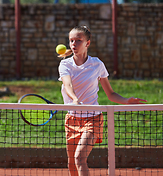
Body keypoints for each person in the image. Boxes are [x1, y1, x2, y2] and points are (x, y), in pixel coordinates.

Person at [58, 26, 146, 176]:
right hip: (72, 119)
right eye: (71, 40)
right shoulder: (65, 64)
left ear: (87, 43)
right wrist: (74, 99)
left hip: (93, 118)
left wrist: (126, 101)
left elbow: (110, 93)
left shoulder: (97, 64)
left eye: (78, 40)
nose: (73, 44)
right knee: (72, 164)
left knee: (79, 158)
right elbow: (67, 84)